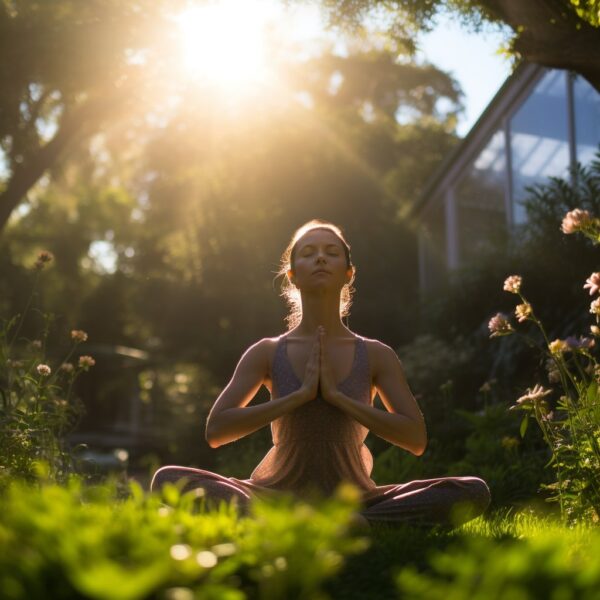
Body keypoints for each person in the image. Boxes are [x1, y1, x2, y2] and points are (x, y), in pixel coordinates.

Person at [151, 219, 491, 528]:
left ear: (348, 273)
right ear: (292, 274)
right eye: (308, 253)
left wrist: (339, 398)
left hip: (354, 499)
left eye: (332, 252)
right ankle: (331, 527)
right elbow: (216, 430)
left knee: (472, 491)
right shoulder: (267, 351)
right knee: (168, 478)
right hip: (275, 495)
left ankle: (338, 525)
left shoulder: (375, 354)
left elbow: (415, 439)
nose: (320, 258)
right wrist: (295, 398)